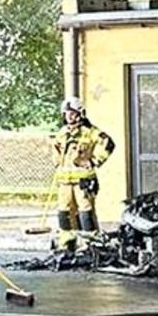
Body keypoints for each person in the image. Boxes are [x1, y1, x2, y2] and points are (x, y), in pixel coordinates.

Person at [52, 95, 114, 251]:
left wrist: (94, 161)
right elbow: (56, 151)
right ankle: (67, 243)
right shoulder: (62, 133)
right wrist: (57, 165)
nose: (69, 116)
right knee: (64, 212)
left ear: (80, 114)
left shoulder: (90, 132)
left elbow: (108, 144)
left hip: (83, 182)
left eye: (72, 113)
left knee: (85, 212)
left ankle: (91, 244)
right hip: (64, 182)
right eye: (67, 113)